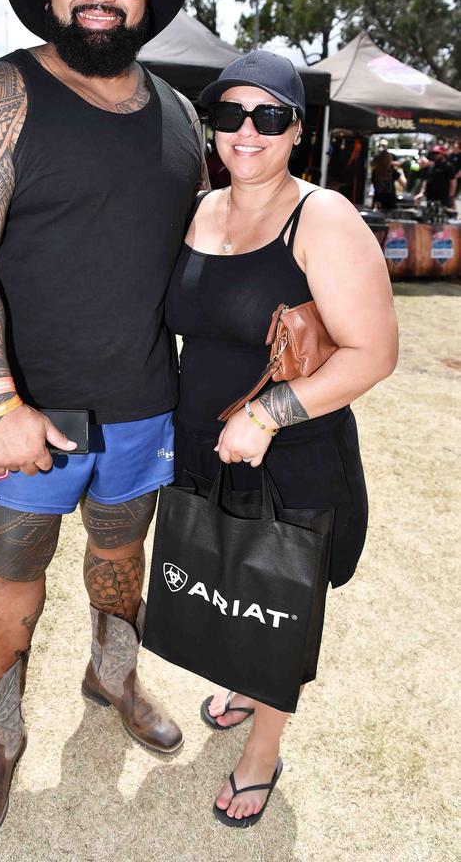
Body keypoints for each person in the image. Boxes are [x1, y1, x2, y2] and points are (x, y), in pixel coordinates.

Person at [0, 0, 204, 848]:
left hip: (142, 404)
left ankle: (113, 671)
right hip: (26, 411)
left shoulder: (180, 117)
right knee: (13, 572)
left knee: (122, 557)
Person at [165, 50, 399, 829]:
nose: (247, 132)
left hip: (291, 455)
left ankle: (264, 747)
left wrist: (268, 415)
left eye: (269, 116)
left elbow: (375, 352)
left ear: (297, 129)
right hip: (208, 443)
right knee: (230, 583)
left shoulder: (321, 215)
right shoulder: (201, 209)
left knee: (277, 602)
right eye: (230, 114)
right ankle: (243, 684)